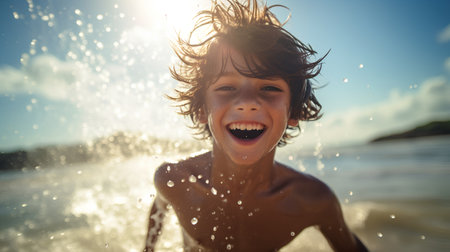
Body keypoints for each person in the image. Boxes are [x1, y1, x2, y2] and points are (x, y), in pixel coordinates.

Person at [144, 0, 368, 251]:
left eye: (270, 88)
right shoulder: (175, 180)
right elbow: (159, 208)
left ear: (293, 112)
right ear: (201, 110)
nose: (248, 103)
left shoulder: (311, 200)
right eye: (226, 87)